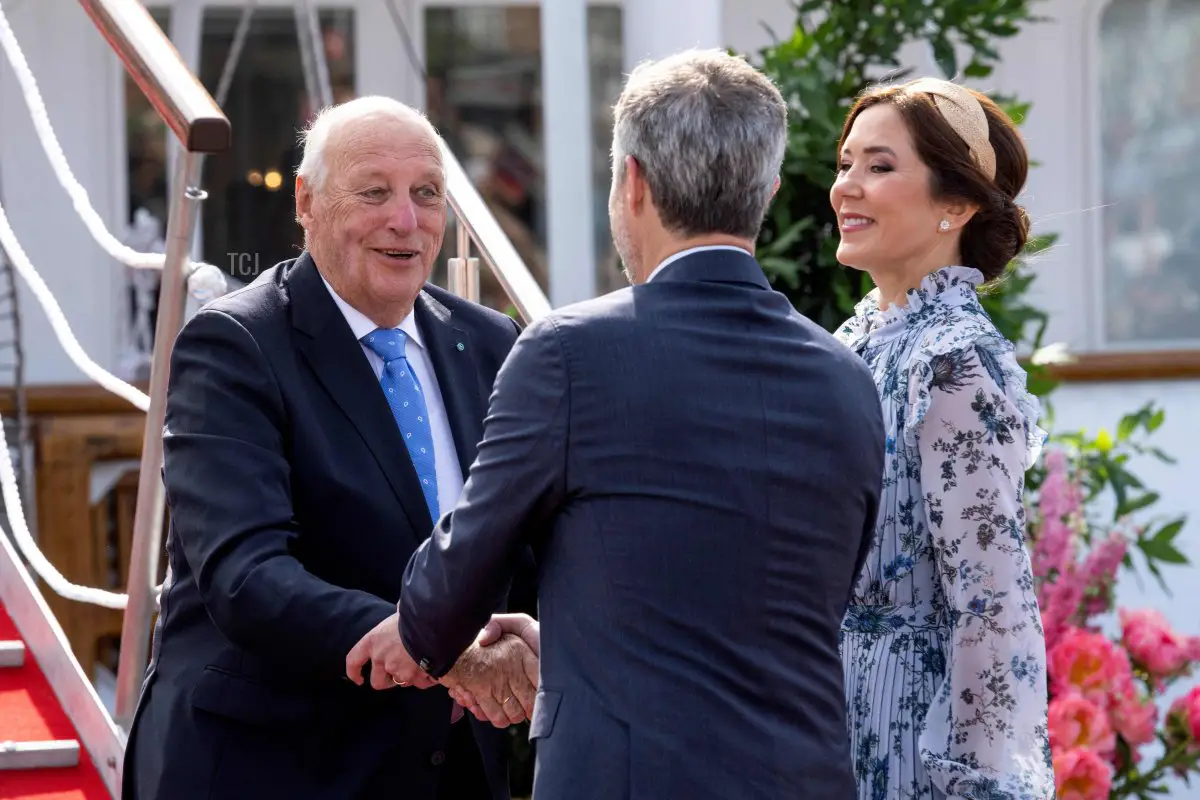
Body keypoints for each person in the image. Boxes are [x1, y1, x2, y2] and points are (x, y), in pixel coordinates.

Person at [345, 49, 886, 799]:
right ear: (765, 190)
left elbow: (457, 572)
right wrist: (572, 642)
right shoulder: (847, 379)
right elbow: (792, 598)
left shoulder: (569, 353)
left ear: (631, 182)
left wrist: (417, 636)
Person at [122, 96, 539, 800]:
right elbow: (245, 575)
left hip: (446, 768)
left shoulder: (493, 345)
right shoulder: (236, 345)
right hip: (273, 764)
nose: (405, 220)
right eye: (374, 192)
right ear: (307, 203)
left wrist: (533, 640)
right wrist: (437, 651)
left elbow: (524, 544)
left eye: (426, 194)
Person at [829, 77, 1055, 798]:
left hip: (910, 732)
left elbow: (992, 601)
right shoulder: (858, 342)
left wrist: (973, 780)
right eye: (845, 163)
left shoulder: (953, 362)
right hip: (830, 713)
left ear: (955, 205)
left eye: (880, 166)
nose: (847, 187)